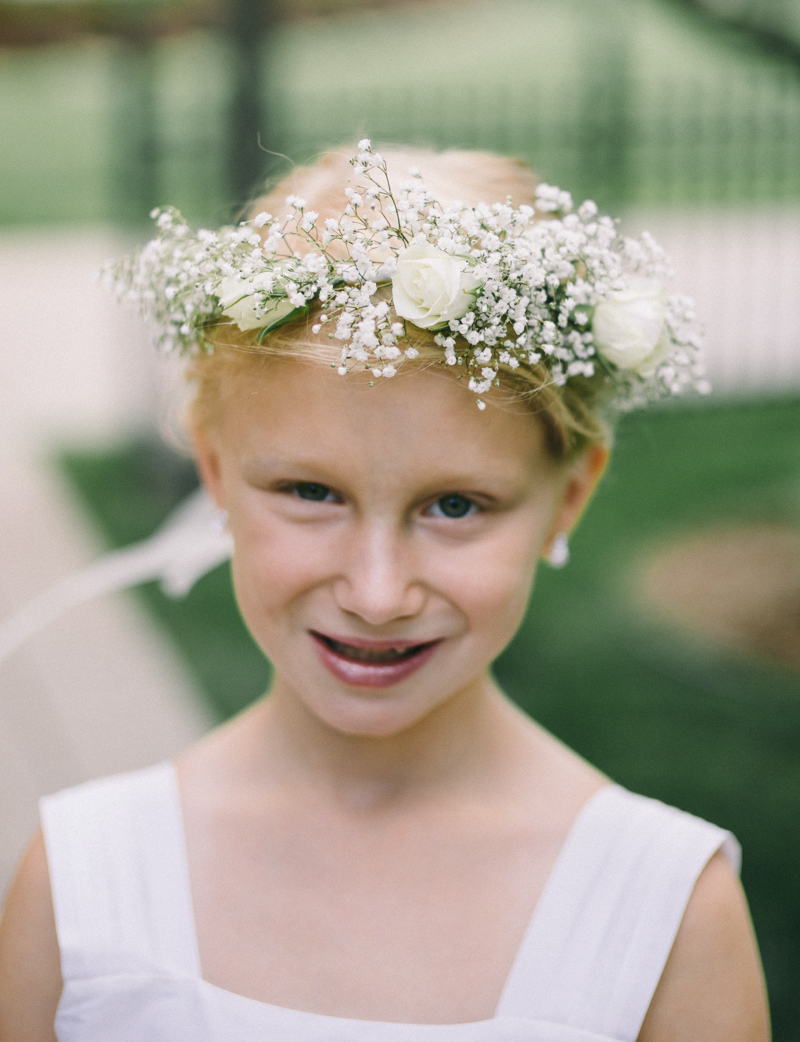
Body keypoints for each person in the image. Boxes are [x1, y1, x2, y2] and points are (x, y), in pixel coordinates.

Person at [0, 143, 770, 1041]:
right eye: (311, 493)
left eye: (454, 505)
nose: (375, 593)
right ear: (213, 469)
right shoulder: (82, 889)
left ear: (569, 495)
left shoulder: (666, 917)